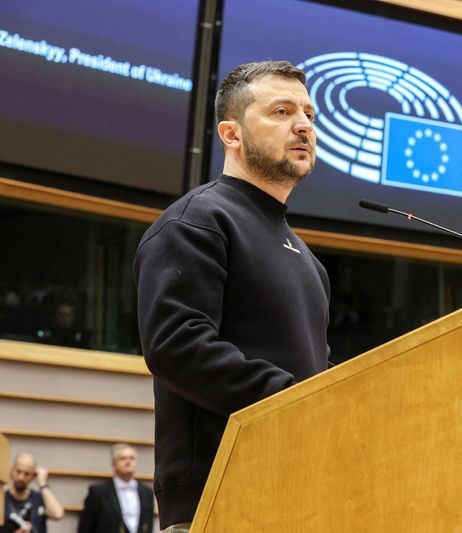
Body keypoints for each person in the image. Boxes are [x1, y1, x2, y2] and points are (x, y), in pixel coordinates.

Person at [134, 60, 330, 532]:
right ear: (231, 133)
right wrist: (295, 400)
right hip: (218, 499)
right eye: (281, 112)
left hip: (302, 494)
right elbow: (177, 347)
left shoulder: (309, 260)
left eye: (309, 114)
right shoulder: (198, 221)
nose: (303, 125)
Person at [77, 443, 154, 533]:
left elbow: (148, 525)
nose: (128, 462)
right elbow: (85, 527)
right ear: (113, 463)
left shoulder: (146, 492)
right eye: (123, 458)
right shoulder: (98, 492)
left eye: (132, 458)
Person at [2, 453, 64, 533]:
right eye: (18, 472)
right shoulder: (2, 498)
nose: (21, 477)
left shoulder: (39, 498)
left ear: (34, 476)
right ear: (12, 471)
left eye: (26, 474)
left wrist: (42, 483)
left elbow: (57, 514)